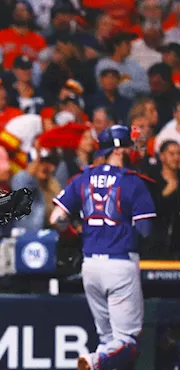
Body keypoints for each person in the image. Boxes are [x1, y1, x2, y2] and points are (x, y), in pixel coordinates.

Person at [50, 125, 157, 370]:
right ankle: (93, 360)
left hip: (90, 265)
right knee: (127, 340)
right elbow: (146, 231)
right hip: (119, 263)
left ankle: (99, 359)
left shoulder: (82, 177)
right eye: (130, 145)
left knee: (109, 340)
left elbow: (56, 218)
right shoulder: (133, 182)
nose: (134, 150)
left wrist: (77, 232)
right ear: (119, 150)